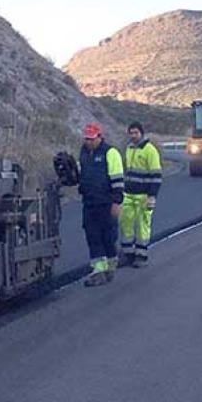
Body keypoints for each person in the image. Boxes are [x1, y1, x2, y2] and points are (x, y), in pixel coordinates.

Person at [78, 122, 124, 286]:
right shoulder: (83, 153)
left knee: (108, 236)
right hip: (90, 202)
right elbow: (81, 174)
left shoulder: (110, 153)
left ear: (99, 137)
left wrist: (117, 202)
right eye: (86, 139)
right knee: (92, 235)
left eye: (91, 139)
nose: (88, 142)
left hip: (106, 202)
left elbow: (117, 179)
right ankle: (99, 269)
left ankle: (110, 266)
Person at [120, 121, 162, 267]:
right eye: (131, 133)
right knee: (126, 223)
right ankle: (128, 254)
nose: (133, 135)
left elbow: (156, 176)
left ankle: (141, 255)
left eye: (136, 133)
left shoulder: (150, 151)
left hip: (144, 195)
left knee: (143, 225)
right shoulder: (129, 149)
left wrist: (152, 196)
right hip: (128, 194)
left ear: (141, 133)